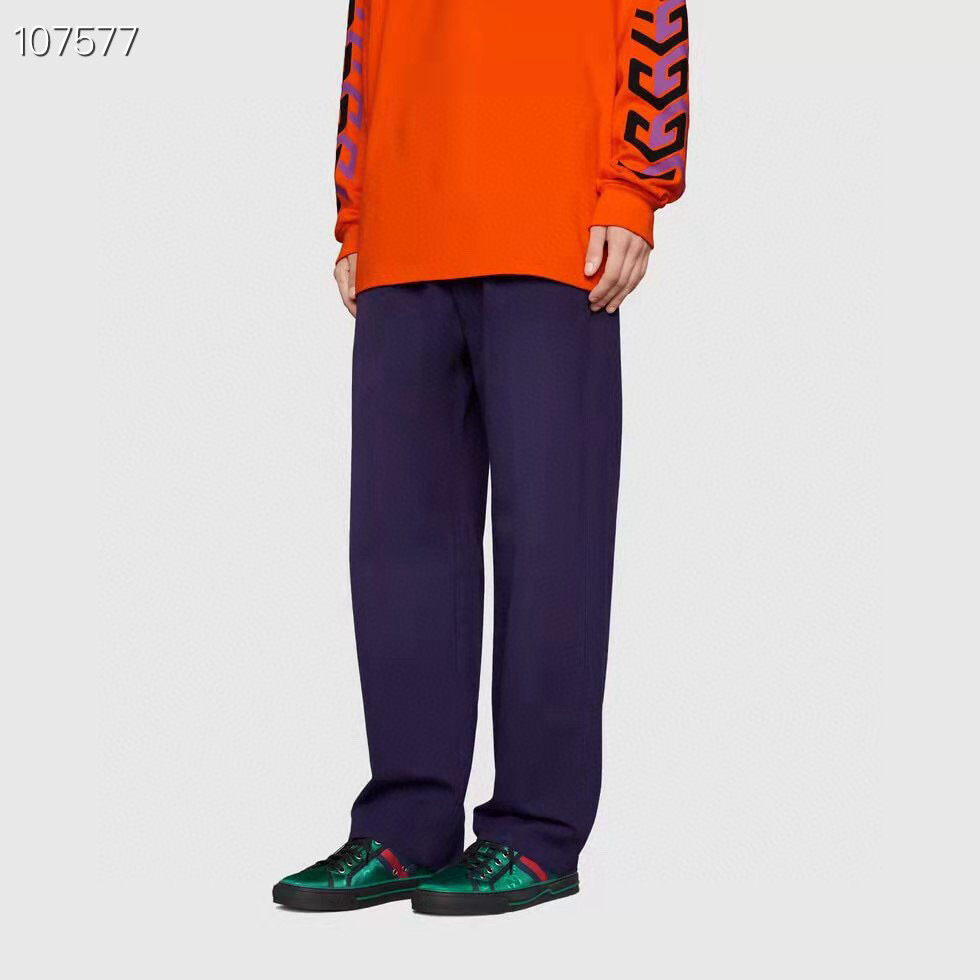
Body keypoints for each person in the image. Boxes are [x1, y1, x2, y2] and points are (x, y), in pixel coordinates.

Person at [273, 0, 689, 916]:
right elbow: (365, 37)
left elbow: (655, 13)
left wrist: (635, 186)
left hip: (553, 228)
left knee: (552, 541)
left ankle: (535, 833)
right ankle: (407, 824)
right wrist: (356, 214)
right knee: (398, 550)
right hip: (405, 231)